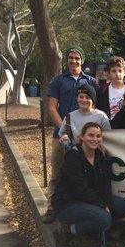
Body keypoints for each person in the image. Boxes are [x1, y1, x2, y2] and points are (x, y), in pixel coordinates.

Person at [52, 122, 125, 247]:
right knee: (104, 218)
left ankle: (94, 227)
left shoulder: (101, 156)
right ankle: (67, 231)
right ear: (81, 137)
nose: (94, 139)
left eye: (98, 136)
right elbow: (79, 189)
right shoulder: (72, 157)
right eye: (90, 135)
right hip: (69, 202)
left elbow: (106, 185)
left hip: (91, 199)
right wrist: (102, 205)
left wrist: (106, 203)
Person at [44, 46, 98, 223]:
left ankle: (79, 207)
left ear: (82, 60)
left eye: (77, 58)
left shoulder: (91, 81)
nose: (74, 61)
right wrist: (65, 129)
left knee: (83, 173)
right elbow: (52, 107)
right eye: (71, 58)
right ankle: (51, 207)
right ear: (67, 60)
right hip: (61, 136)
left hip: (87, 139)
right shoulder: (59, 81)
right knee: (57, 171)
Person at [96, 56, 125, 120]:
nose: (117, 74)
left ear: (124, 72)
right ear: (109, 73)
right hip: (107, 126)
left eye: (120, 71)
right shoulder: (102, 91)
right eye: (113, 71)